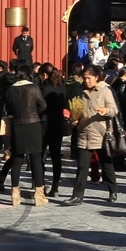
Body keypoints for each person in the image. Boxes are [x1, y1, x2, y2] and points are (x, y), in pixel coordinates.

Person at [69, 64, 120, 205]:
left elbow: (114, 109)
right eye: (84, 78)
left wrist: (105, 110)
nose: (86, 81)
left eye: (89, 78)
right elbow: (77, 110)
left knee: (106, 164)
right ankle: (77, 196)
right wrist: (74, 120)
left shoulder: (105, 91)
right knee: (82, 167)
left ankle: (113, 190)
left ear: (96, 78)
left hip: (101, 133)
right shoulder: (80, 91)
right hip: (84, 133)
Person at [3, 62, 48, 206]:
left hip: (17, 125)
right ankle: (39, 195)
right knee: (36, 159)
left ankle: (15, 194)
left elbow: (8, 109)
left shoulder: (10, 90)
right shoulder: (34, 88)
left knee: (17, 160)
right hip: (33, 125)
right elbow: (43, 106)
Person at [39, 64, 71, 196]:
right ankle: (55, 187)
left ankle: (40, 185)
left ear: (45, 75)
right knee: (56, 156)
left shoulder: (43, 88)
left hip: (44, 124)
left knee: (40, 156)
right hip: (58, 123)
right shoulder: (63, 88)